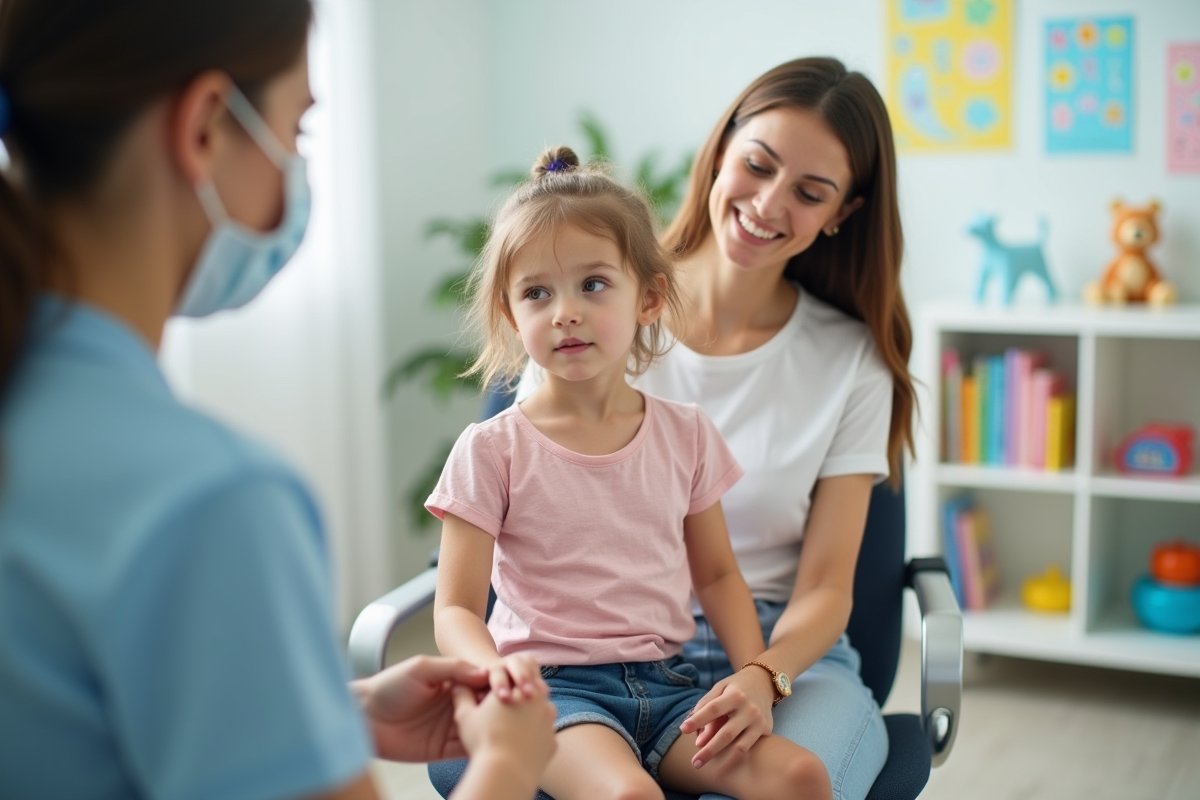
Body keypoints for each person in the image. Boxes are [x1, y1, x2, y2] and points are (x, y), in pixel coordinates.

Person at [0, 2, 555, 799]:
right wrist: (508, 763)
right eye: (298, 130)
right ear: (205, 127)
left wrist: (325, 713)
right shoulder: (208, 501)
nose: (296, 169)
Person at [515, 56, 916, 800]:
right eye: (757, 165)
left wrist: (764, 673)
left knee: (802, 784)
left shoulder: (852, 361)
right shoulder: (595, 304)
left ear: (843, 212)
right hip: (598, 648)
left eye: (809, 193)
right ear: (722, 148)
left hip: (781, 649)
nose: (767, 202)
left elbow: (827, 584)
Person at [429, 147, 831, 800]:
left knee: (803, 778)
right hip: (552, 693)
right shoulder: (490, 450)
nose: (564, 311)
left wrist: (754, 675)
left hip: (669, 686)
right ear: (511, 315)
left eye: (592, 284)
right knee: (629, 795)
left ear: (649, 298)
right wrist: (489, 673)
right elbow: (454, 607)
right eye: (536, 292)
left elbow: (718, 576)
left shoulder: (686, 434)